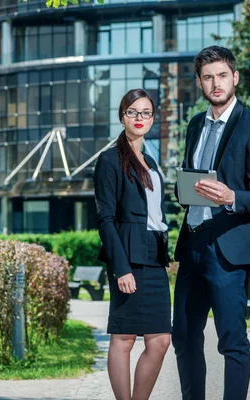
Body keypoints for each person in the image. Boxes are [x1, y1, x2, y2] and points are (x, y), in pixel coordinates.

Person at [172, 45, 250, 400]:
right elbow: (188, 177)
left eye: (222, 76)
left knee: (232, 340)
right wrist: (182, 188)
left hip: (229, 249)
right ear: (200, 83)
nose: (216, 83)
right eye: (208, 77)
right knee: (183, 337)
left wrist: (231, 197)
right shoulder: (195, 125)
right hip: (194, 243)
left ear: (235, 78)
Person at [94, 89, 171, 400]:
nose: (139, 118)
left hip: (155, 256)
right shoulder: (110, 160)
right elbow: (106, 220)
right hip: (129, 256)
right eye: (132, 112)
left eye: (146, 112)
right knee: (124, 338)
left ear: (152, 119)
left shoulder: (151, 160)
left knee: (161, 340)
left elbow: (155, 214)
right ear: (122, 116)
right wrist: (121, 267)